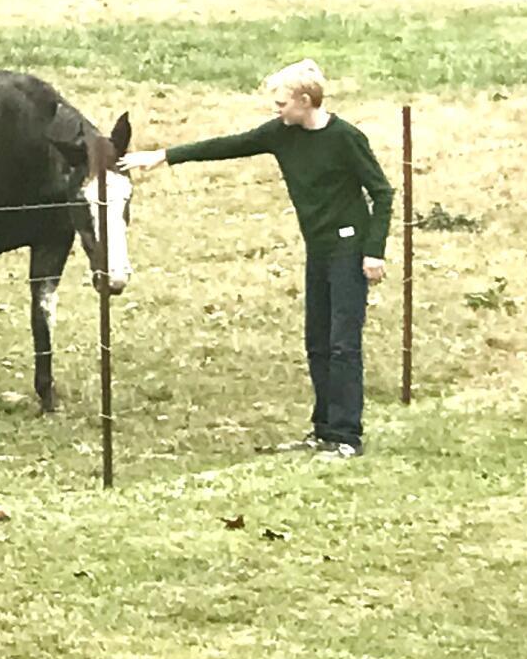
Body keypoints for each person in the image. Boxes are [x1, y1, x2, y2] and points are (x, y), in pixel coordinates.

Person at [121, 60, 392, 459]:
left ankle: (347, 436)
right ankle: (323, 430)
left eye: (282, 103)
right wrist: (163, 156)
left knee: (343, 345)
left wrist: (374, 251)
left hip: (349, 249)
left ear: (305, 100)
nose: (277, 110)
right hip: (317, 249)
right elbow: (227, 146)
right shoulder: (282, 134)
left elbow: (382, 193)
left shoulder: (346, 138)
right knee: (317, 342)